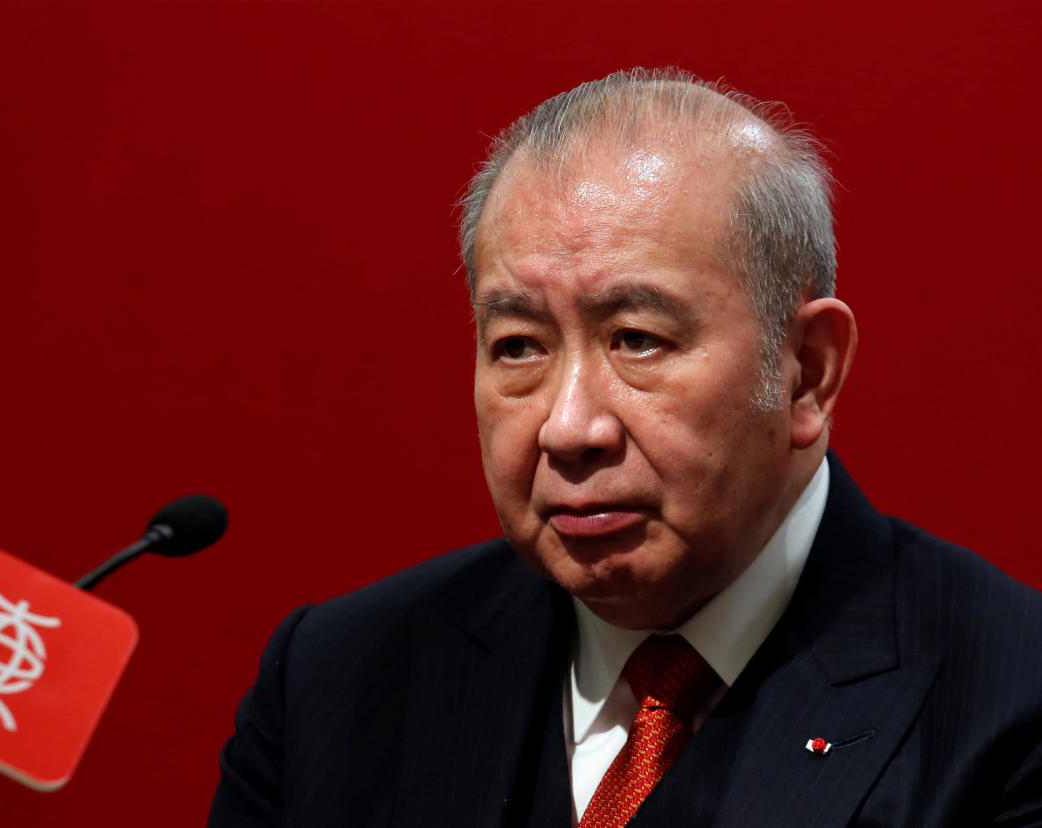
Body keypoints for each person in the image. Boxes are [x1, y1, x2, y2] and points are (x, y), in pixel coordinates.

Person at [208, 69, 1042, 826]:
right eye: (519, 347)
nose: (568, 427)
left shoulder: (1008, 701)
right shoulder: (335, 682)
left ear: (806, 373)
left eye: (637, 339)